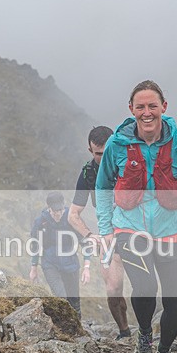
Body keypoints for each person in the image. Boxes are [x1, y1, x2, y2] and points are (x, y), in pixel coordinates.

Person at [95, 80, 177, 353]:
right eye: (140, 107)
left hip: (173, 234)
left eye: (152, 106)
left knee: (176, 302)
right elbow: (102, 187)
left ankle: (164, 352)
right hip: (129, 231)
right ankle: (145, 336)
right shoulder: (117, 144)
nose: (147, 113)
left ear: (164, 107)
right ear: (131, 110)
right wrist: (106, 228)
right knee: (146, 287)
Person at [68, 126, 132, 340]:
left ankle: (147, 333)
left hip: (136, 230)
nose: (103, 159)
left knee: (146, 285)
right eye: (98, 154)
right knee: (113, 287)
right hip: (108, 234)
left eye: (107, 153)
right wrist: (88, 235)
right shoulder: (88, 173)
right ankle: (125, 333)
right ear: (90, 150)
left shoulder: (129, 164)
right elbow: (73, 215)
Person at [29, 191, 87, 317]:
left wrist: (87, 267)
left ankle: (79, 329)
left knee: (74, 301)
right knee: (61, 298)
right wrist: (34, 268)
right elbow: (35, 245)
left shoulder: (72, 219)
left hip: (71, 264)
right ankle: (64, 329)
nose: (58, 214)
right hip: (50, 264)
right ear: (49, 208)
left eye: (60, 210)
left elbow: (85, 242)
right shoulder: (41, 222)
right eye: (55, 211)